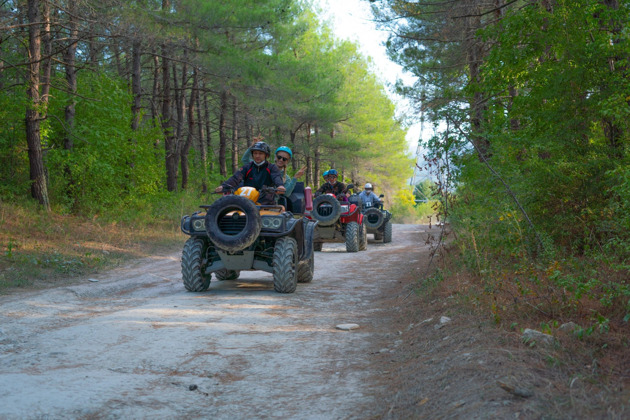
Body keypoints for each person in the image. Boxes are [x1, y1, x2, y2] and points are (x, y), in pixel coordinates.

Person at [215, 141, 285, 205]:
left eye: (260, 153)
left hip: (265, 201)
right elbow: (236, 177)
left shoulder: (272, 167)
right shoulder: (247, 167)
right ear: (252, 155)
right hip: (246, 200)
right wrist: (223, 186)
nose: (257, 156)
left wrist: (280, 186)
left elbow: (276, 177)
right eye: (255, 153)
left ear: (266, 155)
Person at [241, 142, 306, 196]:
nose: (281, 160)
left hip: (270, 204)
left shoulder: (286, 178)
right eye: (279, 157)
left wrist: (295, 178)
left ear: (287, 161)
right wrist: (252, 147)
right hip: (251, 198)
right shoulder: (263, 166)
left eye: (284, 159)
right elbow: (245, 160)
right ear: (275, 157)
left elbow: (286, 194)